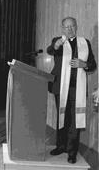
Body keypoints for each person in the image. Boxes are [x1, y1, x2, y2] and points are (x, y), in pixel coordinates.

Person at [47, 17, 97, 163]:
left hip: (77, 89)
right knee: (62, 117)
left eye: (72, 26)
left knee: (75, 121)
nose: (69, 29)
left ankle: (71, 151)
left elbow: (93, 65)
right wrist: (56, 45)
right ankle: (60, 146)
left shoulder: (84, 42)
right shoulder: (58, 41)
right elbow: (51, 50)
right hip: (60, 87)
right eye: (66, 27)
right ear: (62, 28)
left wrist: (84, 64)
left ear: (76, 27)